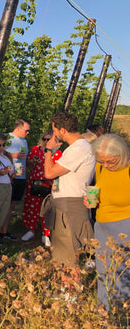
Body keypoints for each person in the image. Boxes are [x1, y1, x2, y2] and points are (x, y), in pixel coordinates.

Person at [83, 134, 130, 311]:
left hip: (125, 229)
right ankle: (103, 315)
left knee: (122, 276)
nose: (105, 165)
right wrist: (89, 201)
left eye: (110, 161)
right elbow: (99, 190)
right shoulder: (100, 168)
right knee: (103, 273)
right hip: (102, 228)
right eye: (101, 161)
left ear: (122, 155)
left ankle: (121, 317)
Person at [44, 112, 95, 269]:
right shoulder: (78, 147)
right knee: (64, 253)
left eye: (55, 130)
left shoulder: (77, 149)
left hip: (68, 207)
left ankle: (70, 291)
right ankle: (68, 289)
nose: (54, 134)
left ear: (63, 130)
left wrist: (48, 150)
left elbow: (49, 173)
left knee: (66, 255)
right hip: (67, 204)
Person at [21, 130, 62, 246]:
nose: (46, 141)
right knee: (33, 206)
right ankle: (31, 230)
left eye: (49, 139)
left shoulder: (57, 153)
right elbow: (27, 162)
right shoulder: (36, 149)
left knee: (47, 208)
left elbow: (59, 168)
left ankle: (46, 233)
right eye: (45, 139)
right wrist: (32, 161)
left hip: (49, 182)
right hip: (35, 181)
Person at [0, 119, 30, 245]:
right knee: (4, 205)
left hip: (21, 176)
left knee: (11, 205)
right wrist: (14, 156)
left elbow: (26, 158)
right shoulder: (7, 138)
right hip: (9, 177)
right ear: (18, 128)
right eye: (26, 130)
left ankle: (4, 231)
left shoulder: (24, 141)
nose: (28, 133)